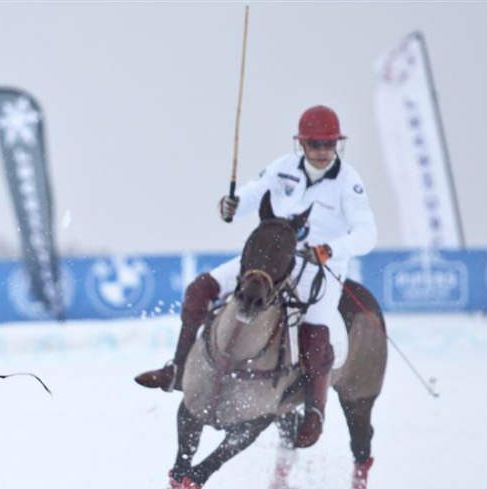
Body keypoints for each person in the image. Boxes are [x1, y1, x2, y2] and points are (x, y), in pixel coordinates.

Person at [134, 105, 377, 448]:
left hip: (317, 268)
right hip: (271, 259)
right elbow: (248, 197)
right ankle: (177, 369)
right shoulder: (283, 168)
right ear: (301, 143)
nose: (323, 152)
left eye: (329, 144)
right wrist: (229, 206)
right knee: (199, 290)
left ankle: (314, 413)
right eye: (315, 144)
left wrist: (330, 249)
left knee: (315, 334)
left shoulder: (349, 183)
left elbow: (368, 235)